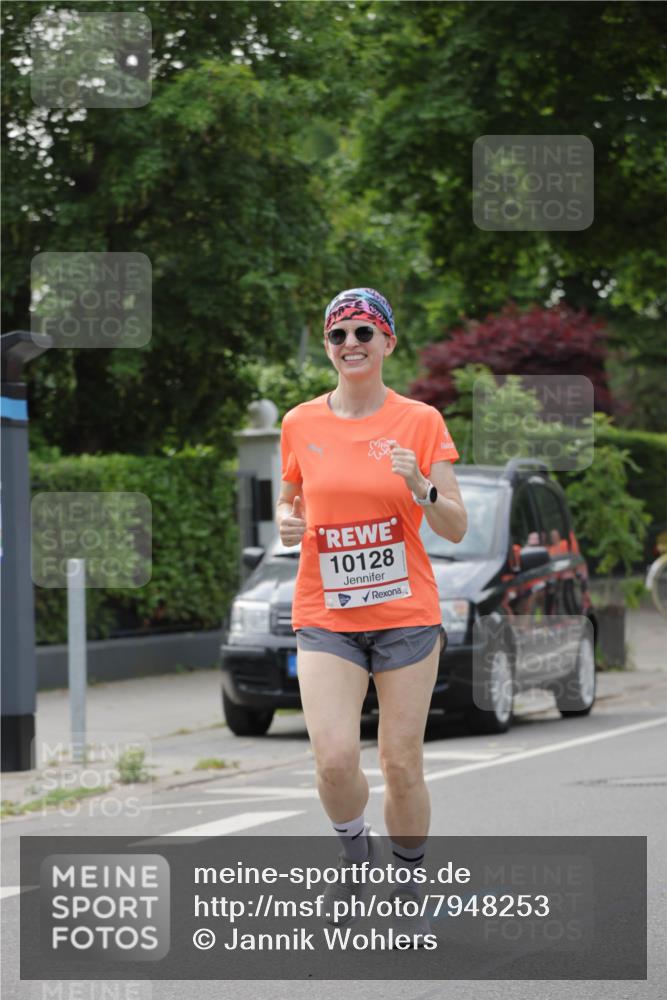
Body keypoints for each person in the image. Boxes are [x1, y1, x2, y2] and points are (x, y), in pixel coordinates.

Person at [275, 288, 467, 938]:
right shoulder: (299, 422)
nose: (350, 344)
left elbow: (456, 525)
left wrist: (420, 485)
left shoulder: (420, 421)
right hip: (324, 612)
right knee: (332, 757)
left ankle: (408, 876)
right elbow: (290, 503)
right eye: (338, 335)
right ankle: (353, 854)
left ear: (387, 342)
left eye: (364, 332)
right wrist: (285, 521)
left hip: (405, 614)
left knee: (399, 762)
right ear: (328, 348)